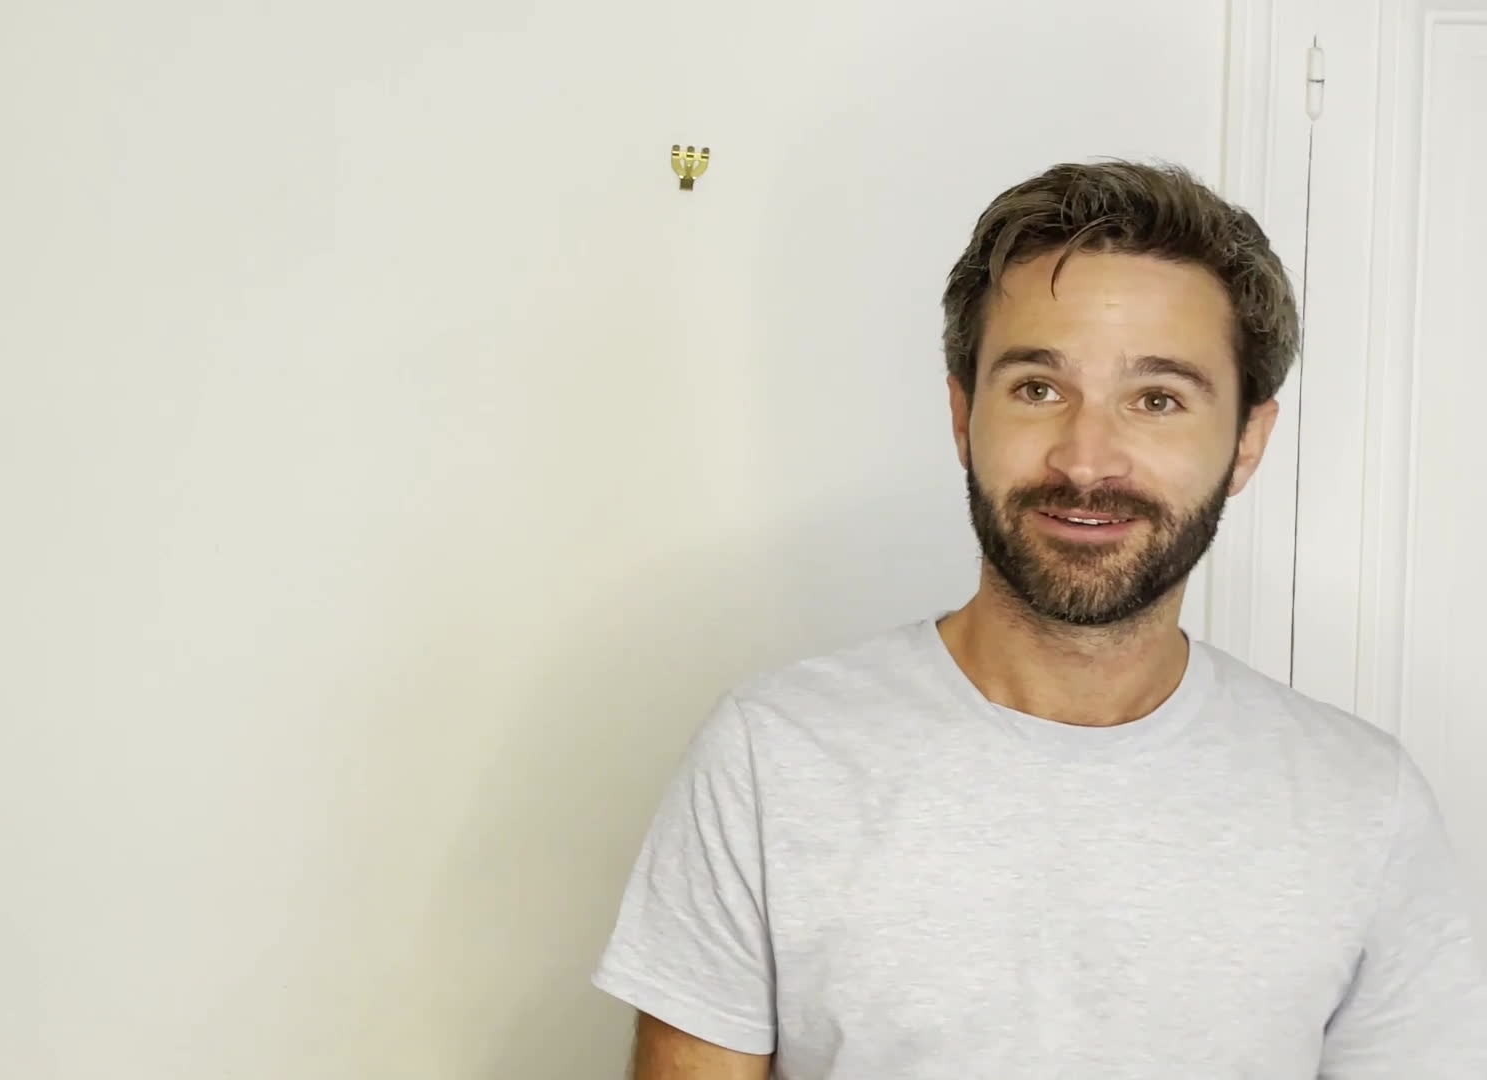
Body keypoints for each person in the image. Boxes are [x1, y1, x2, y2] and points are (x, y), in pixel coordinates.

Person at [591, 160, 1487, 1078]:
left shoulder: (1365, 805)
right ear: (962, 414)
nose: (1086, 461)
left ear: (1247, 442)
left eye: (1157, 399)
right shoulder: (773, 757)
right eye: (1037, 388)